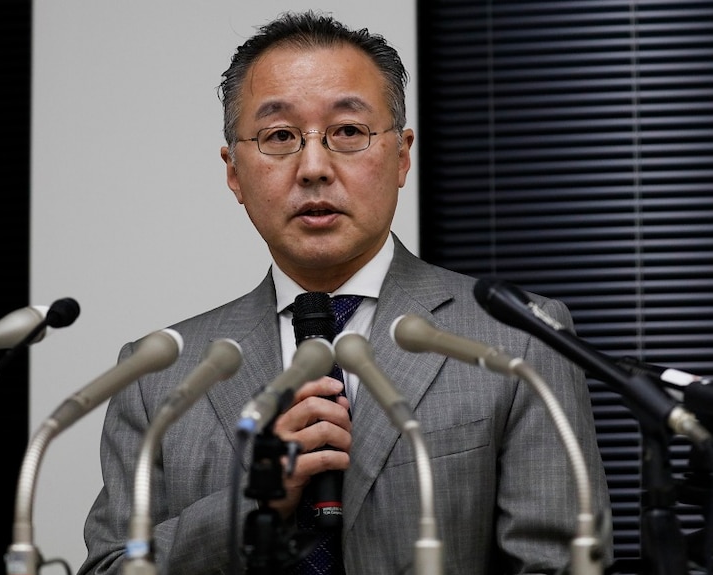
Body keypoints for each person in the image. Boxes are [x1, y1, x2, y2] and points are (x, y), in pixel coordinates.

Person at [78, 10, 613, 575]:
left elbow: (561, 565)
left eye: (349, 132)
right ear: (234, 171)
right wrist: (253, 501)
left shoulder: (518, 341)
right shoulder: (159, 374)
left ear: (402, 155)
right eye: (279, 136)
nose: (313, 167)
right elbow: (112, 568)